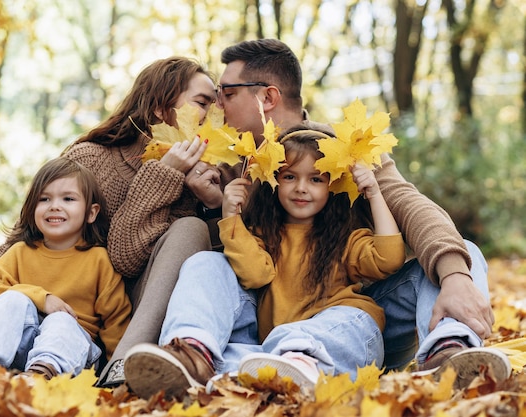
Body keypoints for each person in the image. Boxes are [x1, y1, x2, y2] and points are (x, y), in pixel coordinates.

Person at [121, 38, 510, 395]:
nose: (218, 105)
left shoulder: (342, 150)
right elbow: (234, 266)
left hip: (350, 312)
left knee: (463, 253)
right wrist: (213, 206)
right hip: (268, 314)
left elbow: (411, 206)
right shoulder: (228, 163)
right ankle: (196, 357)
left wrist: (455, 275)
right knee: (206, 263)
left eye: (227, 92)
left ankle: (449, 352)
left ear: (267, 97)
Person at [0, 56, 221, 389]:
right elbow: (22, 239)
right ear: (160, 107)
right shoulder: (92, 158)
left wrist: (208, 202)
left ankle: (118, 371)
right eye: (203, 103)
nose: (214, 114)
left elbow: (124, 258)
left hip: (97, 326)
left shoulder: (200, 177)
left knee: (191, 229)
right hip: (19, 315)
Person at [123, 126, 407, 399]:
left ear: (332, 185)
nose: (301, 188)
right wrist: (230, 215)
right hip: (270, 353)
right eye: (290, 177)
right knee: (206, 262)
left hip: (334, 343)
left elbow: (388, 259)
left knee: (349, 320)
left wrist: (374, 193)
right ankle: (193, 354)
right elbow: (255, 274)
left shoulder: (346, 237)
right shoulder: (265, 234)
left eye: (316, 179)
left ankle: (301, 364)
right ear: (275, 180)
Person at [0, 157, 131, 386]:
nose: (54, 206)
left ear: (91, 213)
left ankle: (40, 379)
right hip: (18, 347)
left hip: (71, 352)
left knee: (61, 321)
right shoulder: (19, 252)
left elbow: (116, 319)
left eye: (68, 199)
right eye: (44, 199)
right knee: (11, 300)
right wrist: (42, 299)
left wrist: (117, 371)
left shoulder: (99, 260)